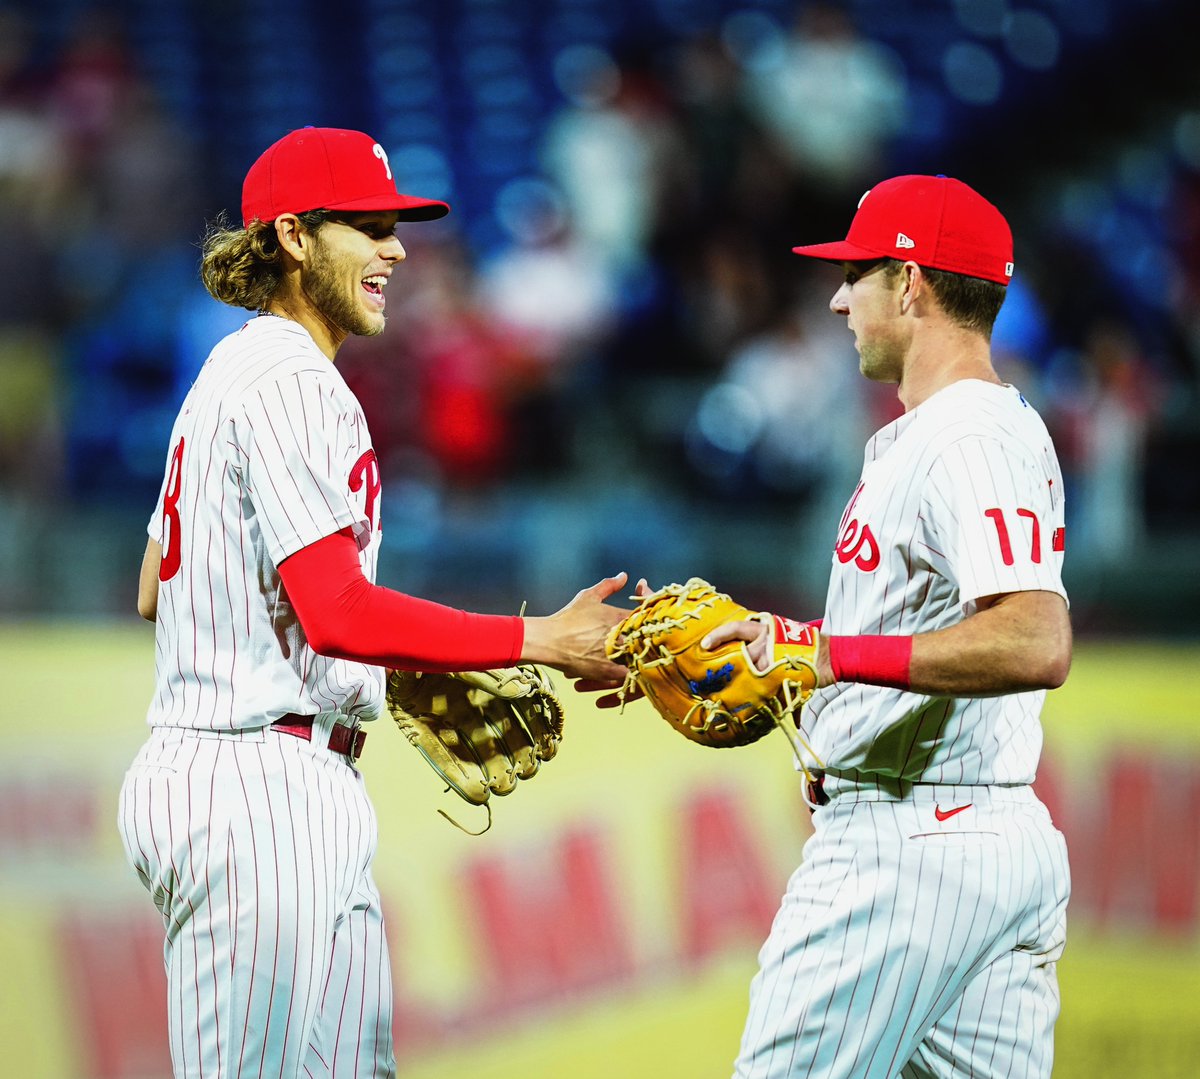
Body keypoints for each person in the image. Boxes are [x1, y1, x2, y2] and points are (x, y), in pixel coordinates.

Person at [116, 126, 630, 1077]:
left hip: (268, 773)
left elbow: (156, 585)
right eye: (366, 226)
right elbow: (337, 612)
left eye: (396, 226)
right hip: (256, 785)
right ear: (294, 237)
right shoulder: (293, 381)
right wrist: (537, 640)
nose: (396, 248)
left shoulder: (229, 372)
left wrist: (365, 660)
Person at [705, 174, 1072, 1078]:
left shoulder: (964, 437)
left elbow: (1035, 637)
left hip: (908, 848)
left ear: (910, 284)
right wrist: (791, 641)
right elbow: (924, 613)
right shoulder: (962, 431)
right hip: (979, 838)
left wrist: (827, 655)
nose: (837, 298)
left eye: (855, 274)